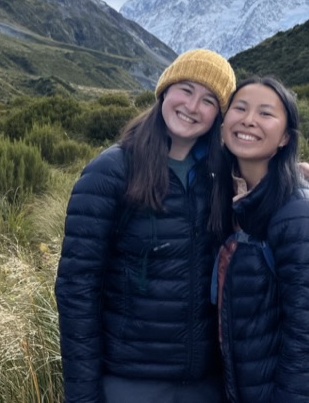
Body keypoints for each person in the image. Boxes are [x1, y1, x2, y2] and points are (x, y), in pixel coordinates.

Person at [55, 49, 237, 403]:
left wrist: (298, 173)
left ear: (218, 115)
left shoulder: (223, 175)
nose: (192, 106)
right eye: (185, 89)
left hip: (206, 383)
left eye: (209, 100)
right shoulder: (111, 171)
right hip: (130, 382)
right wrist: (83, 394)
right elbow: (76, 289)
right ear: (164, 91)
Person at [211, 77, 309, 403]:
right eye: (240, 108)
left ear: (285, 137)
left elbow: (308, 340)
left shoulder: (302, 213)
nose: (248, 120)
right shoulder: (234, 196)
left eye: (265, 113)